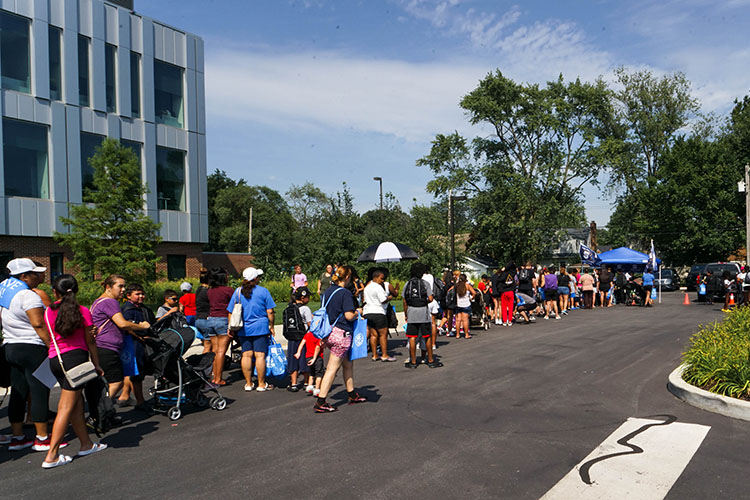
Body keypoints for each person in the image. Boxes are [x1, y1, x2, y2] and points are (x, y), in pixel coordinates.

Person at [42, 274, 107, 468]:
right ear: (76, 290)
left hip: (55, 360)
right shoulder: (82, 311)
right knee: (66, 407)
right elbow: (90, 341)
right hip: (76, 360)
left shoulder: (47, 312)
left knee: (76, 403)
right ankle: (52, 455)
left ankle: (86, 444)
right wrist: (97, 363)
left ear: (55, 292)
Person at [0, 258, 55, 452]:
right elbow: (38, 323)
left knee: (18, 391)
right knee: (39, 390)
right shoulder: (28, 295)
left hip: (10, 346)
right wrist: (51, 346)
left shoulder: (3, 292)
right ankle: (42, 438)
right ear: (24, 276)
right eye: (34, 273)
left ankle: (18, 437)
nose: (39, 276)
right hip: (32, 346)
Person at [313, 266, 368, 413]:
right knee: (332, 368)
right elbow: (349, 315)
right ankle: (321, 401)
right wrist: (359, 311)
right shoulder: (345, 293)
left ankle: (351, 394)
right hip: (342, 334)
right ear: (348, 276)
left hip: (330, 332)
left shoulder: (328, 291)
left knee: (348, 364)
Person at [91, 275, 151, 400]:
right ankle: (99, 412)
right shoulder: (110, 302)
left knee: (106, 382)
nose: (123, 289)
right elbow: (122, 324)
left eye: (124, 286)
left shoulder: (98, 302)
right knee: (116, 382)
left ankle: (103, 411)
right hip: (107, 347)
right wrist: (141, 326)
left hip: (100, 346)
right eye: (120, 286)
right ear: (108, 287)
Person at [229, 267, 276, 392]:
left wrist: (231, 327)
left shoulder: (238, 292)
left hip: (244, 328)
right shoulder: (263, 291)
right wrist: (271, 325)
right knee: (260, 355)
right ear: (255, 278)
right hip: (260, 327)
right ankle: (261, 383)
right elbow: (270, 311)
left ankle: (249, 383)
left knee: (246, 355)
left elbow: (230, 311)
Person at [118, 284, 155, 410]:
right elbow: (127, 327)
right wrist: (140, 337)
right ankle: (140, 401)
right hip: (133, 344)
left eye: (142, 293)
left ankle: (125, 395)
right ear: (128, 296)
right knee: (136, 373)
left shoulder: (143, 308)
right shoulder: (128, 309)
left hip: (143, 343)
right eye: (137, 294)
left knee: (135, 371)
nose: (141, 296)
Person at [403, 262, 441, 368]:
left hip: (411, 312)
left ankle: (413, 361)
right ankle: (430, 360)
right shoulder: (425, 283)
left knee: (412, 337)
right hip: (423, 312)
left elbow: (404, 301)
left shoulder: (407, 284)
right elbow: (430, 298)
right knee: (427, 336)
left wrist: (406, 314)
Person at [205, 268, 234, 385]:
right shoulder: (228, 290)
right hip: (223, 319)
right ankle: (218, 378)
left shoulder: (210, 291)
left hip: (211, 319)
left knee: (215, 350)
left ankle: (214, 376)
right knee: (221, 351)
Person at [283, 287, 312, 391]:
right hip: (303, 337)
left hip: (291, 337)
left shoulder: (289, 307)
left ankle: (294, 383)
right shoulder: (305, 309)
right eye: (308, 297)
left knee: (292, 359)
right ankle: (306, 382)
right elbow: (310, 324)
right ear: (303, 297)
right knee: (304, 358)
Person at [363, 269, 394, 362]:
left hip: (368, 311)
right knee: (383, 334)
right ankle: (384, 355)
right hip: (378, 311)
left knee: (373, 334)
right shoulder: (378, 287)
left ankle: (374, 354)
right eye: (381, 278)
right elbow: (383, 300)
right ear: (375, 278)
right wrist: (389, 298)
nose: (383, 281)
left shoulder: (367, 287)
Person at [295, 328, 324, 396]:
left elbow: (302, 343)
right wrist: (314, 358)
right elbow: (317, 347)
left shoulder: (308, 335)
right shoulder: (319, 336)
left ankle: (310, 386)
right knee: (319, 374)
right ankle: (317, 389)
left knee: (312, 372)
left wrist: (298, 352)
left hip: (308, 357)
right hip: (317, 357)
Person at [194, 269, 212, 354]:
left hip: (198, 319)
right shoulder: (207, 292)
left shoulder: (199, 289)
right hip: (206, 319)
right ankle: (204, 364)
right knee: (208, 345)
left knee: (206, 344)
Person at [453, 273, 477, 338]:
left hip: (458, 304)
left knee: (458, 320)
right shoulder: (467, 286)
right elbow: (474, 293)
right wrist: (472, 298)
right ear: (465, 279)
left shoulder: (456, 286)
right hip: (466, 304)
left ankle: (457, 334)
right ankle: (466, 334)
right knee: (465, 320)